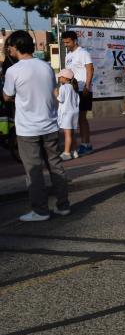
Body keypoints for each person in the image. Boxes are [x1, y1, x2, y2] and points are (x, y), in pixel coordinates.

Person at [2, 30, 71, 222]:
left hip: (27, 129)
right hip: (50, 125)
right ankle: (63, 205)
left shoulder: (12, 71)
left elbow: (7, 95)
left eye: (10, 47)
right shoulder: (46, 66)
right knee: (56, 166)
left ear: (15, 47)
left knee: (34, 170)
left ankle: (40, 210)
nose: (9, 49)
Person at [61, 30, 94, 155]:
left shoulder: (83, 53)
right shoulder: (68, 55)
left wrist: (87, 86)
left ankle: (86, 144)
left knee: (82, 118)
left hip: (83, 90)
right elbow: (67, 73)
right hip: (72, 91)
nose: (66, 44)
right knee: (74, 119)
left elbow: (90, 69)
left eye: (68, 42)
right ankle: (77, 146)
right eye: (64, 42)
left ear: (75, 40)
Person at [56, 68, 80, 160]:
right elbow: (77, 101)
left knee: (67, 134)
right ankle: (75, 151)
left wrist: (56, 94)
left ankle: (66, 153)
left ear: (65, 78)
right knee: (72, 134)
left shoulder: (63, 87)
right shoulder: (74, 87)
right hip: (74, 113)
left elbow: (61, 99)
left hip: (67, 113)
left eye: (60, 77)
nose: (59, 78)